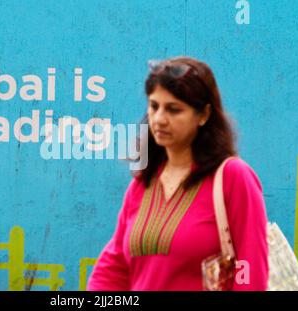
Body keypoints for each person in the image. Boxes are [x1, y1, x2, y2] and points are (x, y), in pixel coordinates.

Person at [87, 56, 269, 291]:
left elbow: (249, 267)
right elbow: (114, 268)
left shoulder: (232, 177)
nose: (160, 119)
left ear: (203, 115)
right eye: (154, 106)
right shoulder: (143, 183)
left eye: (174, 110)